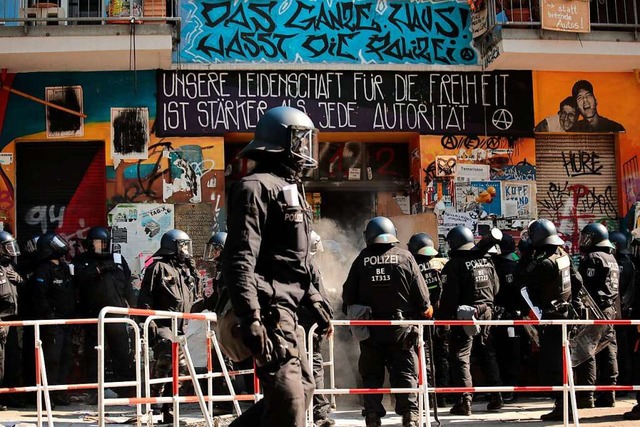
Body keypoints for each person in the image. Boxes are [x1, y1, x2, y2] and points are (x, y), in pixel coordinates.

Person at [222, 106, 332, 427]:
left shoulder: (293, 191)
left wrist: (315, 300)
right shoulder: (253, 187)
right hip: (269, 309)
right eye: (300, 140)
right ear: (280, 142)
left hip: (290, 311)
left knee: (303, 389)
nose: (305, 150)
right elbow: (239, 256)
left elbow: (299, 257)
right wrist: (250, 316)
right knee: (289, 403)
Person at [342, 216, 431, 427]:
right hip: (401, 330)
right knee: (406, 372)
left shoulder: (361, 259)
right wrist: (425, 310)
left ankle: (372, 416)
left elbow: (347, 298)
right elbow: (424, 302)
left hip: (371, 329)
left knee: (371, 375)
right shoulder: (406, 257)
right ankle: (410, 416)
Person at [137, 229, 202, 423]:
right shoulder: (158, 267)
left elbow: (195, 295)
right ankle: (154, 402)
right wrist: (148, 324)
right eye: (182, 245)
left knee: (176, 369)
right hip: (162, 323)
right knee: (170, 356)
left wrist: (193, 270)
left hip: (180, 325)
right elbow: (145, 297)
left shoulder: (184, 270)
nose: (185, 249)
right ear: (172, 245)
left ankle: (168, 410)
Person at [438, 226, 503, 416]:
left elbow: (450, 299)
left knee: (460, 356)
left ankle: (464, 401)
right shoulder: (486, 261)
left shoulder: (454, 265)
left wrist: (442, 323)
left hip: (465, 316)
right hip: (487, 314)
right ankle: (496, 396)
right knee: (487, 354)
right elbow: (496, 288)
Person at [520, 219, 582, 421]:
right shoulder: (563, 255)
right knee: (564, 361)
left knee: (552, 364)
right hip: (566, 313)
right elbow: (578, 281)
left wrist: (527, 255)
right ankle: (565, 405)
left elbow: (523, 280)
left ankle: (563, 407)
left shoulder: (543, 263)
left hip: (551, 317)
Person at [72, 226, 135, 403]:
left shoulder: (118, 260)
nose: (102, 247)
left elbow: (128, 286)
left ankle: (124, 388)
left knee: (122, 352)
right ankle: (94, 389)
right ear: (90, 245)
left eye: (105, 243)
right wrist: (98, 270)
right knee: (94, 353)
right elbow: (77, 280)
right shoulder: (82, 261)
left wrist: (135, 310)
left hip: (117, 314)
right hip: (93, 315)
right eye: (99, 243)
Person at [575, 223, 619, 408]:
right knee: (608, 350)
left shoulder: (593, 258)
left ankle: (587, 396)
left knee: (586, 351)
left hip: (593, 309)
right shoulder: (611, 258)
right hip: (610, 310)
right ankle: (609, 394)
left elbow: (584, 286)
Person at [32, 232, 76, 406]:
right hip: (52, 323)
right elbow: (39, 298)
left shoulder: (65, 267)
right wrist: (49, 317)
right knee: (52, 360)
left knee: (66, 358)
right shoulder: (43, 270)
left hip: (67, 322)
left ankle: (58, 393)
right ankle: (46, 396)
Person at [406, 232, 449, 407]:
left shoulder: (413, 267)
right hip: (442, 318)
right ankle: (443, 396)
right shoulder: (442, 264)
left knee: (425, 357)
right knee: (442, 356)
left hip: (422, 318)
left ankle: (429, 397)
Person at [297, 231, 335, 427]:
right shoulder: (309, 264)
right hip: (310, 324)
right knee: (315, 367)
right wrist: (327, 320)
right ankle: (320, 414)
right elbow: (319, 296)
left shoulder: (284, 262)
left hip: (289, 324)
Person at [490, 233, 525, 403]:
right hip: (516, 316)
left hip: (504, 316)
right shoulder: (517, 262)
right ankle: (511, 388)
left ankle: (508, 389)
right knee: (513, 354)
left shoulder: (500, 264)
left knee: (506, 355)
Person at [609, 231, 636, 391]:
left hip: (622, 313)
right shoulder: (628, 262)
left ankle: (624, 381)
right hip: (626, 311)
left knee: (621, 349)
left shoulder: (620, 265)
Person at [0, 231, 23, 410]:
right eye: (8, 247)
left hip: (12, 320)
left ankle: (11, 396)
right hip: (0, 320)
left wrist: (21, 280)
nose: (11, 251)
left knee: (13, 360)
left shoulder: (12, 267)